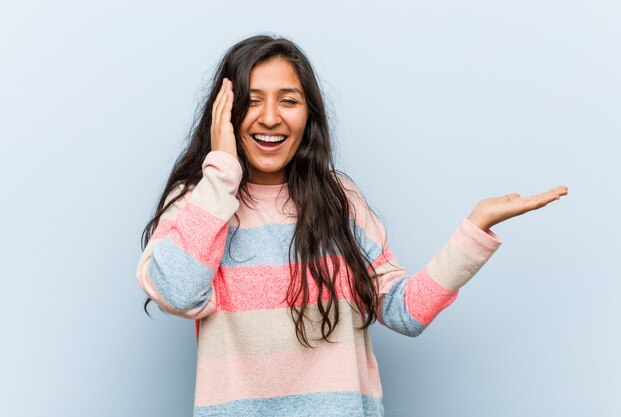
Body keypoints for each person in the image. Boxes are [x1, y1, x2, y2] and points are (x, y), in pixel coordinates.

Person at [135, 34, 568, 417]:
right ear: (224, 115)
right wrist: (221, 176)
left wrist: (473, 230)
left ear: (309, 116)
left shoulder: (340, 200)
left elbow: (403, 312)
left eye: (289, 100)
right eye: (252, 100)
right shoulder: (201, 201)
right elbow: (176, 292)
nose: (270, 117)